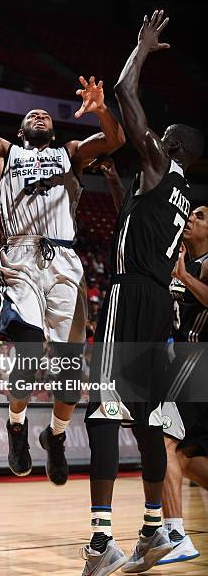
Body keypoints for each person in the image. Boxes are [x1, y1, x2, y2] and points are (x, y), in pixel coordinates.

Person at [0, 19, 125, 485]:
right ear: (22, 128)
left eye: (47, 113)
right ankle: (17, 423)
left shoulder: (71, 152)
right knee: (27, 351)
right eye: (34, 115)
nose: (41, 115)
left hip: (65, 261)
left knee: (69, 371)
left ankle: (58, 436)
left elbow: (116, 141)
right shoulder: (4, 154)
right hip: (21, 259)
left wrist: (103, 111)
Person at [81, 10, 205, 575]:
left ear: (172, 145)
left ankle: (101, 540)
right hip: (158, 306)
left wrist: (141, 47)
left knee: (103, 408)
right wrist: (114, 187)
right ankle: (155, 529)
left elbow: (128, 91)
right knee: (149, 417)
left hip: (130, 298)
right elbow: (140, 225)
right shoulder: (172, 194)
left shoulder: (160, 162)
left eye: (164, 135)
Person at [159, 206, 208, 565]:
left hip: (200, 364)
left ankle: (176, 536)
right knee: (187, 460)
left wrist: (183, 277)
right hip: (187, 365)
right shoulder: (183, 261)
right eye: (191, 214)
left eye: (202, 216)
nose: (191, 218)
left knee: (164, 442)